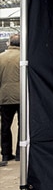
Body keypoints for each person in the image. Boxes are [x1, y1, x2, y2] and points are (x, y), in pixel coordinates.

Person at [0, 33, 20, 166]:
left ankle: (6, 154)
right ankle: (20, 154)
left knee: (5, 126)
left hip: (4, 97)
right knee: (22, 126)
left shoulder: (0, 57)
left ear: (9, 43)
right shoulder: (24, 57)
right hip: (21, 97)